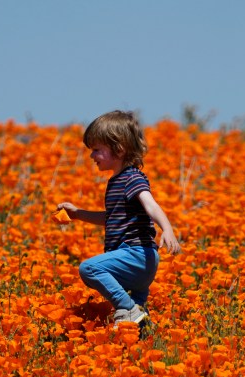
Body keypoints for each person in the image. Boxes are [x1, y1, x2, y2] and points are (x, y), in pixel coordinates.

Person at [56, 110, 181, 325]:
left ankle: (127, 308)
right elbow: (111, 218)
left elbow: (151, 204)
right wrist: (78, 214)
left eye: (96, 150)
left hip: (136, 254)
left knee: (89, 269)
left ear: (119, 149)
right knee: (135, 324)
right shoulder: (116, 181)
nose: (91, 156)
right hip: (141, 260)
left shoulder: (131, 178)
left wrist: (167, 229)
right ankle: (139, 327)